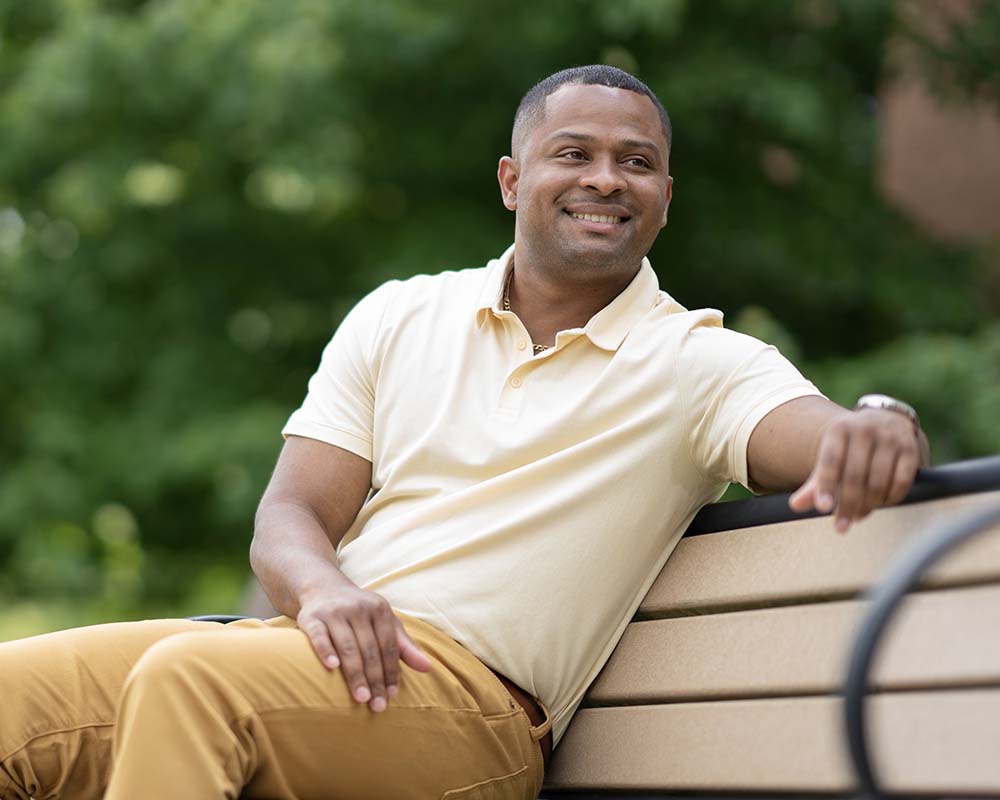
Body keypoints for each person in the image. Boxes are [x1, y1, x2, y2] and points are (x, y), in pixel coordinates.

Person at [0, 65, 929, 800]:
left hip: (469, 713)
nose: (607, 177)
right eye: (575, 153)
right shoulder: (401, 314)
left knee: (190, 681)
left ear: (665, 197)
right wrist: (323, 593)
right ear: (513, 180)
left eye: (637, 162)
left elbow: (825, 436)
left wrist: (879, 427)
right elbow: (289, 514)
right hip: (301, 658)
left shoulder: (696, 361)